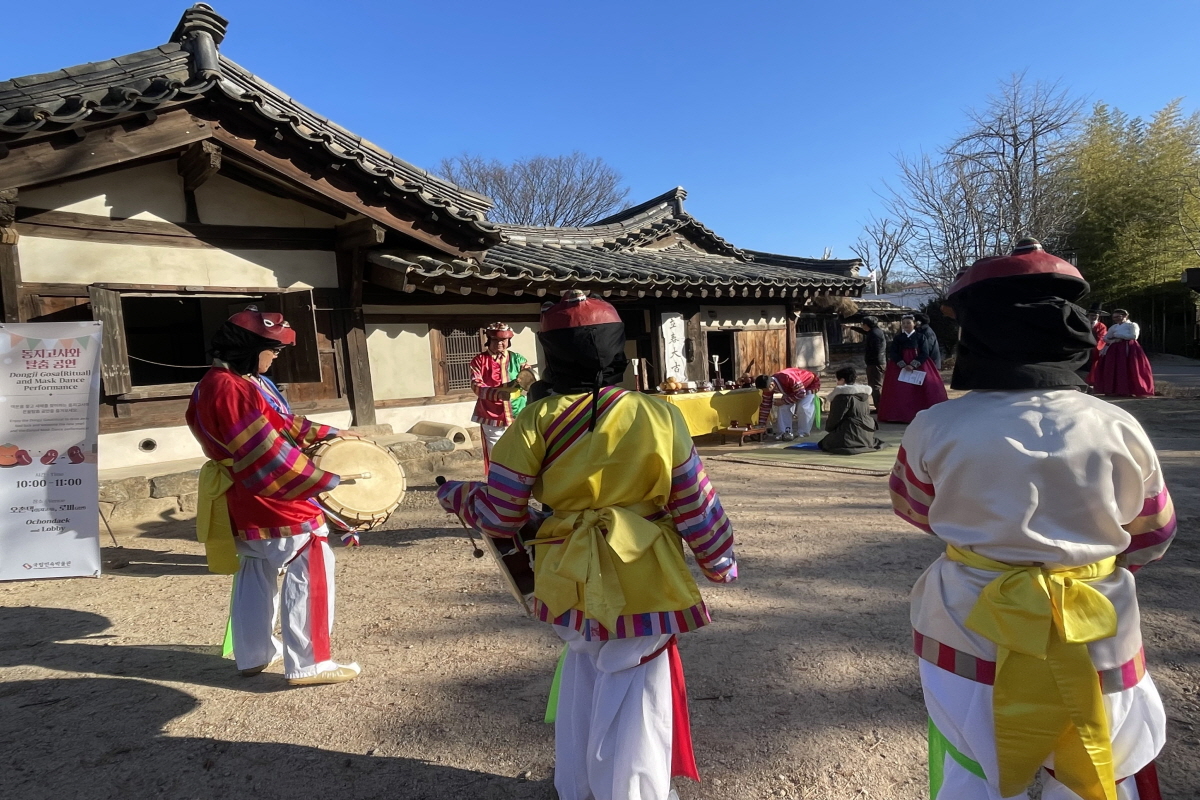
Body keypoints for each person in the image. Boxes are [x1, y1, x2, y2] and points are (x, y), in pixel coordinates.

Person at [890, 238, 1175, 800]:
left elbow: (914, 508)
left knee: (975, 771)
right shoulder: (1117, 425)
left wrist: (989, 540)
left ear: (977, 332)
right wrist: (1080, 565)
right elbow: (1153, 532)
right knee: (1093, 770)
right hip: (1096, 626)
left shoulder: (935, 425)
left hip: (969, 624)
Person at [437, 290, 737, 800]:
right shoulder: (659, 415)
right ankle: (634, 791)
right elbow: (695, 502)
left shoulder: (534, 420)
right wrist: (718, 559)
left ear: (550, 354)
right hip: (644, 569)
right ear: (616, 349)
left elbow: (502, 513)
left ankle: (576, 784)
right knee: (638, 684)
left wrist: (458, 496)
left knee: (583, 667)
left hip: (566, 568)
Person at [186, 307, 361, 686]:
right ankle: (311, 663)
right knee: (309, 558)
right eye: (273, 351)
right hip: (269, 493)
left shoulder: (217, 382)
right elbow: (265, 451)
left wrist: (329, 433)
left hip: (239, 493)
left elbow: (279, 423)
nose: (276, 358)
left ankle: (253, 654)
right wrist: (327, 480)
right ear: (251, 347)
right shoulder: (231, 388)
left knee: (255, 569)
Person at [470, 322, 530, 470]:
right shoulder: (479, 361)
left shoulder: (519, 359)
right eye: (496, 340)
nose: (500, 343)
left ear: (508, 341)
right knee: (495, 450)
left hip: (518, 410)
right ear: (489, 340)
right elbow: (476, 384)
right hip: (491, 413)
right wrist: (497, 394)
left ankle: (519, 479)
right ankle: (497, 481)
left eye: (503, 340)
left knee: (520, 447)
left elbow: (530, 380)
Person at [876, 314, 948, 423]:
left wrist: (913, 364)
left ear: (914, 324)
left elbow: (925, 353)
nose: (906, 325)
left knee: (924, 388)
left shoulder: (920, 337)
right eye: (904, 323)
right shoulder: (898, 338)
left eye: (908, 323)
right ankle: (899, 415)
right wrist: (902, 364)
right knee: (900, 391)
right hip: (900, 366)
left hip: (919, 365)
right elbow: (893, 352)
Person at [818, 367, 884, 455]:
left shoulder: (842, 396)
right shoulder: (864, 394)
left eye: (837, 380)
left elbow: (835, 418)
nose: (837, 383)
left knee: (824, 443)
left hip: (850, 431)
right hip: (867, 431)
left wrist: (830, 429)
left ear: (842, 380)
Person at [1090, 309, 1155, 397]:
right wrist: (1113, 340)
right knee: (1115, 368)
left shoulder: (1132, 325)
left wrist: (1119, 336)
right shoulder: (1114, 327)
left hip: (1129, 348)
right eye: (1114, 317)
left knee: (1130, 366)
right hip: (1115, 349)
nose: (1116, 319)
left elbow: (1134, 336)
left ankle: (1131, 389)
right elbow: (1106, 338)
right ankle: (1115, 389)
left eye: (1118, 317)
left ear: (1125, 316)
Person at [754, 367, 821, 439]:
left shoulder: (788, 378)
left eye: (766, 390)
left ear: (772, 385)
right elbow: (765, 406)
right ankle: (785, 432)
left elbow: (801, 394)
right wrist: (762, 424)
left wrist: (784, 401)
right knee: (783, 408)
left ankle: (803, 433)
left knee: (803, 407)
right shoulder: (768, 387)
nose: (766, 392)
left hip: (809, 385)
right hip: (791, 390)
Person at [850, 316, 888, 409]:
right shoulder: (875, 331)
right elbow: (865, 332)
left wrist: (870, 360)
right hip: (878, 362)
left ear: (866, 325)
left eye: (862, 324)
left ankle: (880, 408)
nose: (862, 326)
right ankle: (880, 407)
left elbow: (876, 349)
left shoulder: (874, 334)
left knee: (875, 386)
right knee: (877, 385)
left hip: (875, 362)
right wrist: (852, 327)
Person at [1086, 308, 1108, 377]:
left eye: (1096, 316)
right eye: (1091, 315)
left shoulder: (1101, 326)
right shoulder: (1084, 323)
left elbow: (1102, 337)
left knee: (1094, 363)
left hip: (1094, 347)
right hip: (1083, 346)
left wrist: (1096, 347)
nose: (1093, 317)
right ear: (1088, 315)